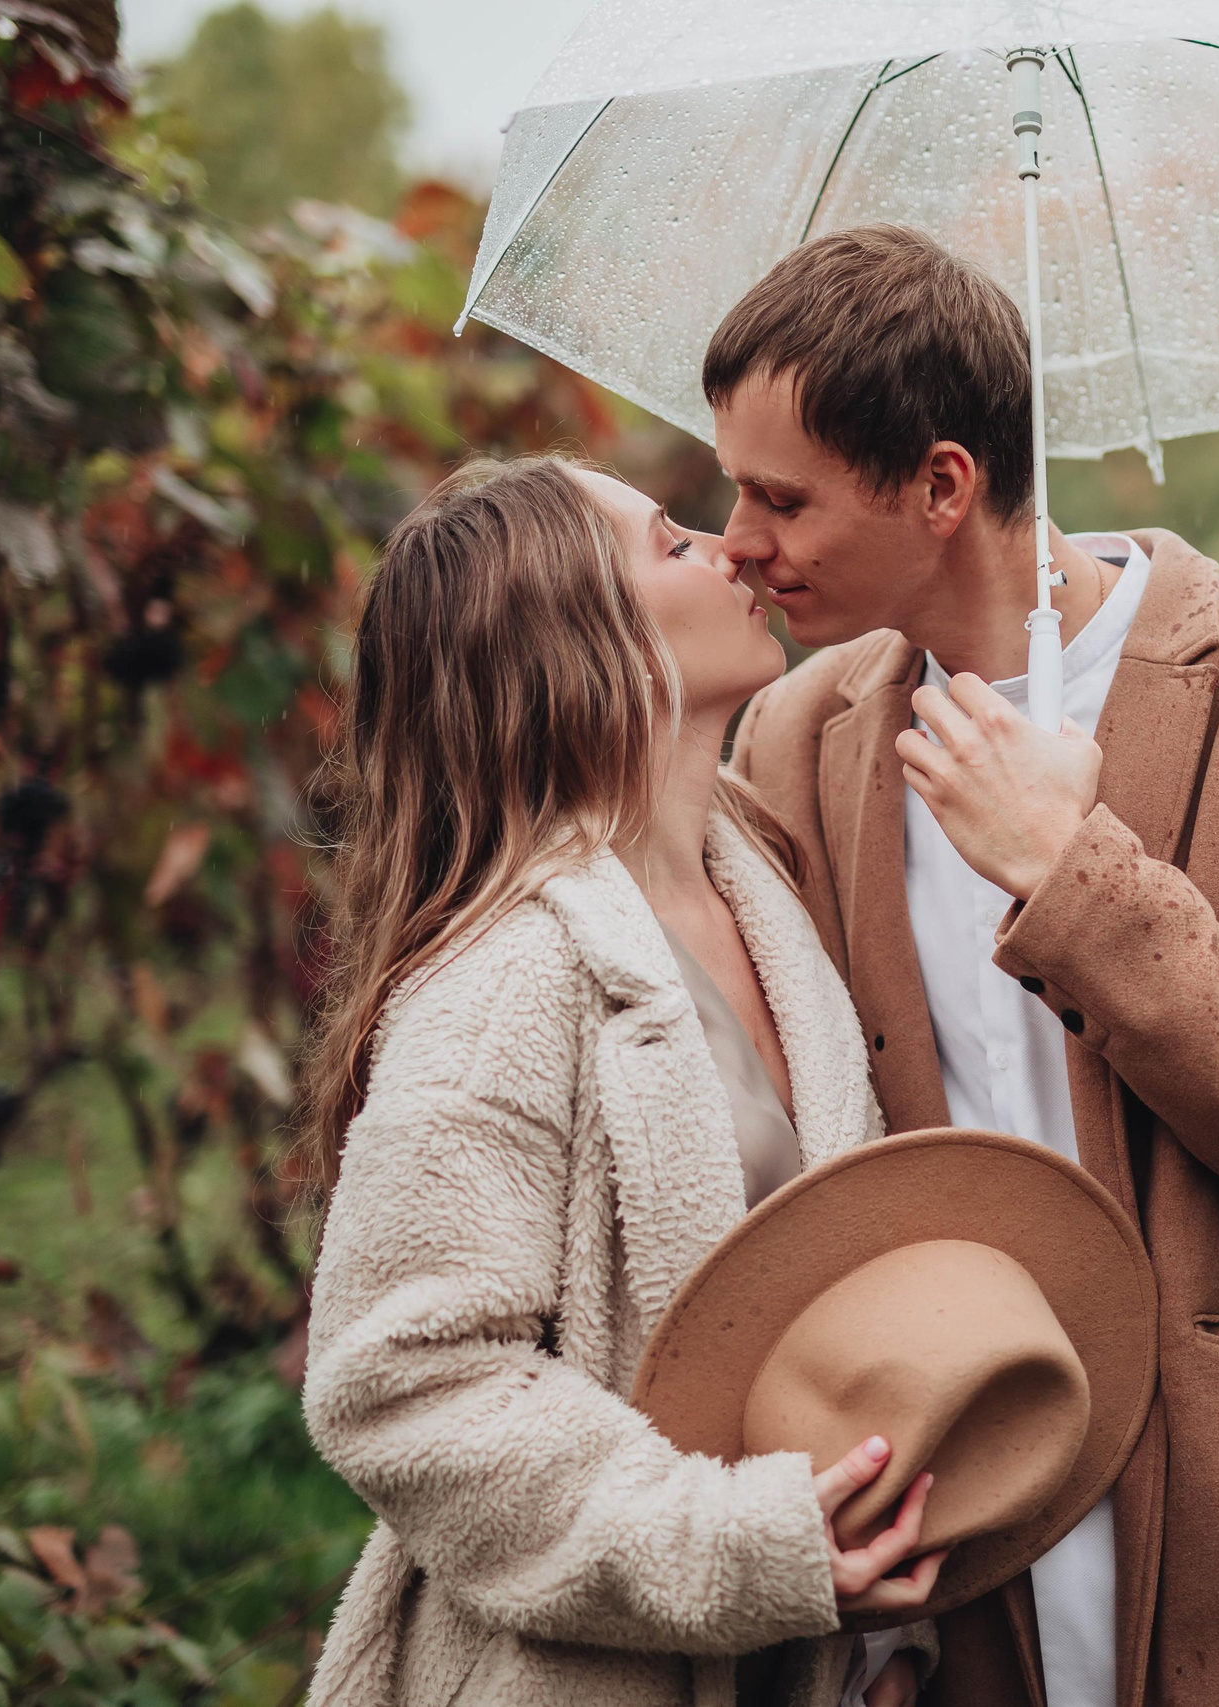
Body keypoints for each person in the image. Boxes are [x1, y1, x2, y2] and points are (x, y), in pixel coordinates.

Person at [714, 226, 1219, 1707]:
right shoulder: (799, 740)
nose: (738, 538)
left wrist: (1076, 876)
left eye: (777, 496)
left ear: (942, 484)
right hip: (970, 1521)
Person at [294, 456, 942, 1707]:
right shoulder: (511, 974)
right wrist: (740, 1545)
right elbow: (402, 1385)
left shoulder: (769, 898)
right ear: (577, 637)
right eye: (670, 540)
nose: (731, 550)